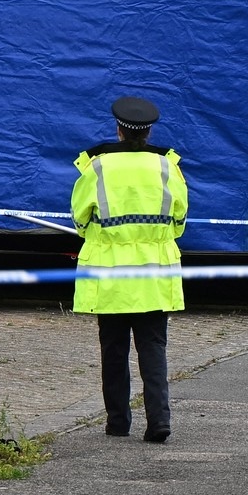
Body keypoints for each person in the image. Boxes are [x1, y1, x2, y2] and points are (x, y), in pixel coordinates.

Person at [71, 96, 187, 443]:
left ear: (118, 130)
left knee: (114, 351)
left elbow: (80, 219)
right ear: (148, 132)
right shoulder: (168, 167)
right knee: (153, 350)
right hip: (155, 275)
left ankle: (118, 422)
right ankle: (159, 422)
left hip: (110, 276)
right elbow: (179, 221)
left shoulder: (98, 167)